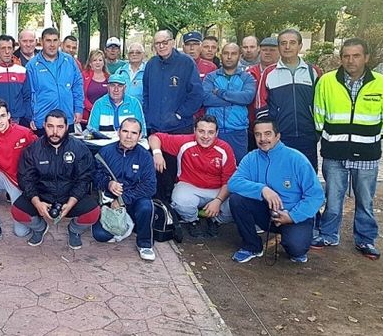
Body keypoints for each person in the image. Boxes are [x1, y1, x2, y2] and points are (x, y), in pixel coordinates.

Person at [311, 38, 383, 260]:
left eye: (356, 56)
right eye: (346, 56)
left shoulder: (382, 84)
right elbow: (318, 115)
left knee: (365, 200)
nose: (351, 60)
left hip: (367, 154)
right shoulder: (326, 81)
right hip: (334, 153)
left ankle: (365, 239)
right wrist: (331, 140)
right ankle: (328, 234)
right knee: (333, 198)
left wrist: (369, 139)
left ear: (366, 58)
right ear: (341, 58)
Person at [227, 119, 324, 263]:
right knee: (237, 199)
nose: (263, 139)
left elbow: (316, 195)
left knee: (296, 250)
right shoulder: (251, 158)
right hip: (266, 213)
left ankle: (298, 237)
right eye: (258, 134)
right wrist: (262, 189)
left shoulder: (296, 159)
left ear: (277, 136)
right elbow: (233, 183)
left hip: (293, 214)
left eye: (268, 134)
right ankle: (252, 246)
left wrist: (292, 216)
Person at [12, 110, 99, 249]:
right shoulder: (32, 149)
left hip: (69, 196)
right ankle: (40, 228)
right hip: (42, 195)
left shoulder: (79, 148)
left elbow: (84, 179)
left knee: (93, 212)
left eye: (60, 127)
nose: (55, 132)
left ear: (67, 127)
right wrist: (37, 203)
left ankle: (74, 230)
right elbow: (25, 179)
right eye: (50, 126)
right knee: (17, 211)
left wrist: (71, 202)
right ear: (44, 125)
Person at [149, 116, 235, 238]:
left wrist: (218, 201)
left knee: (236, 204)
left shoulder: (225, 148)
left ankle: (216, 220)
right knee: (180, 201)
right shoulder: (186, 142)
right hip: (190, 186)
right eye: (201, 131)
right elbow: (154, 137)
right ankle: (193, 220)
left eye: (210, 132)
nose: (205, 136)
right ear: (194, 131)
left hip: (217, 189)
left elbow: (229, 181)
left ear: (217, 133)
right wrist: (157, 154)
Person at [142, 30, 203, 201]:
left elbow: (196, 94)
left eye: (165, 42)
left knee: (177, 172)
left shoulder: (186, 63)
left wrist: (179, 114)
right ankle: (161, 207)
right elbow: (146, 93)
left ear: (172, 42)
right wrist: (149, 116)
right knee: (157, 171)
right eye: (157, 43)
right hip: (156, 128)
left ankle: (178, 207)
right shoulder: (151, 64)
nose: (161, 46)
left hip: (179, 128)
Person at [255, 29, 321, 170]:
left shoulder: (313, 72)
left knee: (307, 174)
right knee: (280, 174)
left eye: (292, 43)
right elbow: (261, 105)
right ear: (279, 47)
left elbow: (321, 103)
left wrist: (317, 132)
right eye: (283, 43)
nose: (287, 47)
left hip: (308, 136)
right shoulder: (269, 73)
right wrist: (271, 132)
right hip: (280, 137)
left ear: (300, 46)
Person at [92, 118, 157, 261]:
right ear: (118, 132)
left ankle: (144, 244)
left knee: (146, 206)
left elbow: (150, 186)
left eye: (134, 133)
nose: (129, 136)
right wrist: (108, 184)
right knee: (100, 235)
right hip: (110, 201)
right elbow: (95, 176)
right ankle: (128, 225)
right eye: (125, 131)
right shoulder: (105, 152)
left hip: (134, 200)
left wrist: (123, 199)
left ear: (140, 136)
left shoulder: (145, 156)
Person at [0, 98, 38, 246]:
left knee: (21, 232)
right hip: (3, 174)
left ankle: (36, 219)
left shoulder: (24, 132)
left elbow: (40, 152)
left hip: (21, 181)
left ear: (9, 116)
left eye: (2, 116)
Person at [202, 43, 256, 163]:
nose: (229, 57)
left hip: (238, 132)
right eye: (226, 53)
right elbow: (205, 98)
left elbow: (247, 98)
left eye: (233, 54)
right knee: (212, 169)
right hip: (213, 132)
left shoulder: (247, 78)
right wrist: (236, 100)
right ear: (221, 55)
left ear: (239, 56)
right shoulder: (211, 77)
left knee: (238, 168)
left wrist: (220, 92)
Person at [26, 28, 84, 133]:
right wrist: (30, 116)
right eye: (48, 40)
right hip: (43, 120)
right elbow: (28, 94)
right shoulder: (32, 65)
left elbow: (77, 86)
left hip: (67, 119)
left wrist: (78, 109)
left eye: (55, 40)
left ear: (59, 42)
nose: (52, 45)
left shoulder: (69, 61)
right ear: (41, 42)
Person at [0, 34, 32, 127]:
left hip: (19, 120)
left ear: (13, 49)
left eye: (9, 48)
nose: (7, 52)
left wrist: (27, 117)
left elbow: (27, 97)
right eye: (3, 48)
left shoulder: (22, 71)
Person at [245, 37, 279, 151]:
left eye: (272, 50)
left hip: (275, 127)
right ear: (260, 51)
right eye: (264, 50)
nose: (267, 53)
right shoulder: (249, 73)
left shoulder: (282, 74)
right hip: (251, 125)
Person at [87, 73, 146, 138]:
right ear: (108, 87)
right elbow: (92, 130)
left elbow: (142, 132)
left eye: (120, 86)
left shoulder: (134, 103)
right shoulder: (99, 104)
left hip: (129, 142)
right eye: (112, 86)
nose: (116, 90)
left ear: (125, 88)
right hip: (104, 143)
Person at [82, 49, 110, 126]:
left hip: (105, 116)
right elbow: (81, 95)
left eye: (100, 60)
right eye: (94, 60)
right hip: (87, 116)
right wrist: (94, 109)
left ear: (104, 63)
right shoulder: (84, 76)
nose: (98, 62)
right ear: (90, 63)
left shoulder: (109, 77)